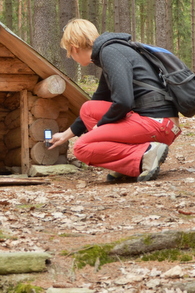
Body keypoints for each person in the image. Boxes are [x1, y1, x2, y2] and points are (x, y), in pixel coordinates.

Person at [50, 19, 182, 182]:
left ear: (75, 48)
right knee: (88, 109)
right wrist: (65, 135)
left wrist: (101, 125)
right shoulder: (110, 53)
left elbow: (124, 101)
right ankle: (129, 164)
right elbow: (98, 100)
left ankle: (146, 152)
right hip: (158, 123)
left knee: (81, 148)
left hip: (158, 125)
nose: (71, 57)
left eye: (70, 53)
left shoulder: (110, 53)